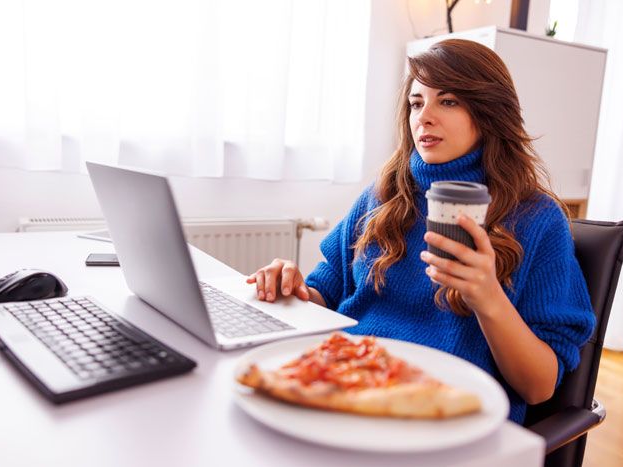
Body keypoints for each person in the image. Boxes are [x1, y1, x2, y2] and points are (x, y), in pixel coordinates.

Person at [246, 39, 595, 424]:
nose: (423, 117)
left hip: (445, 416)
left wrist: (487, 297)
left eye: (447, 101)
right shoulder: (383, 196)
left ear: (490, 112)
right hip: (347, 389)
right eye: (416, 102)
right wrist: (290, 288)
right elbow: (326, 292)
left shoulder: (537, 219)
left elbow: (539, 386)